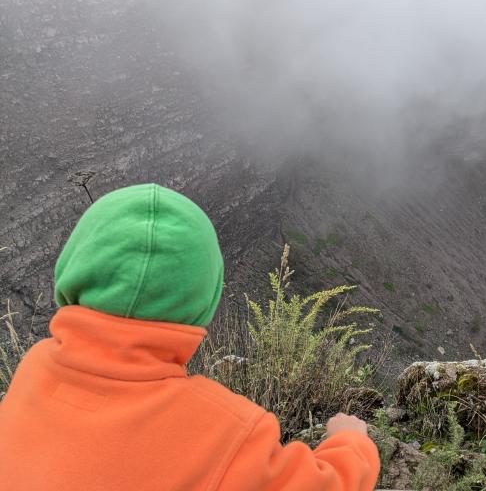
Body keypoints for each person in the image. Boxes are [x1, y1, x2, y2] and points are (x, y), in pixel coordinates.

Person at [0, 184, 380, 490]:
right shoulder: (227, 435)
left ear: (72, 268)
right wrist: (351, 442)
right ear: (203, 301)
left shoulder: (33, 369)